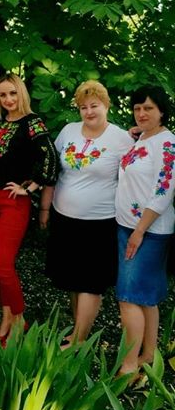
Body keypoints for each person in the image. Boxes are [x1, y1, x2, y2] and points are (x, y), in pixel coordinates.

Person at [41, 80, 133, 348]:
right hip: (64, 218)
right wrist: (44, 207)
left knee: (90, 282)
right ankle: (77, 330)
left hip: (99, 222)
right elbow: (52, 169)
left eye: (94, 105)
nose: (89, 111)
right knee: (72, 278)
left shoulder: (121, 139)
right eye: (83, 107)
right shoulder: (68, 131)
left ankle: (79, 341)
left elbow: (136, 176)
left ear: (106, 105)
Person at [0, 73, 58, 344]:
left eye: (13, 93)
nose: (8, 99)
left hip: (13, 203)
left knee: (3, 264)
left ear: (22, 93)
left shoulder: (32, 122)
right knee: (0, 266)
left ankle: (18, 319)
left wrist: (31, 187)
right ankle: (7, 318)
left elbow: (50, 157)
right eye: (3, 94)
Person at [115, 86, 175, 377]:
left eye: (148, 108)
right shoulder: (144, 138)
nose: (141, 113)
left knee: (128, 297)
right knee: (146, 296)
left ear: (162, 111)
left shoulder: (168, 143)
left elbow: (164, 192)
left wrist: (139, 231)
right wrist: (136, 135)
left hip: (148, 230)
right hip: (128, 226)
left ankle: (128, 367)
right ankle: (148, 355)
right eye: (137, 108)